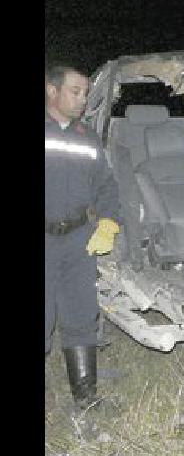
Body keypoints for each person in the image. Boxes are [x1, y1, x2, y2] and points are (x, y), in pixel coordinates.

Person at [45, 63, 120, 415]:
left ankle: (86, 400)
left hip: (77, 240)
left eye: (86, 92)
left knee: (80, 316)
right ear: (51, 91)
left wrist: (107, 223)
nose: (83, 99)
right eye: (76, 91)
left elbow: (106, 185)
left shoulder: (88, 137)